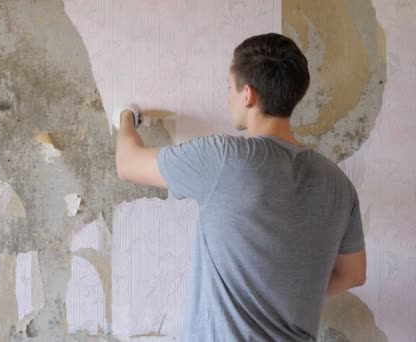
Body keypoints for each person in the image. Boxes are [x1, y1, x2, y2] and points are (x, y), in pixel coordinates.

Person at [113, 33, 366, 341]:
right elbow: (354, 274)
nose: (228, 97)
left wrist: (127, 116)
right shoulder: (338, 184)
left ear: (248, 95)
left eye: (228, 88)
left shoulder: (225, 159)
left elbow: (128, 163)